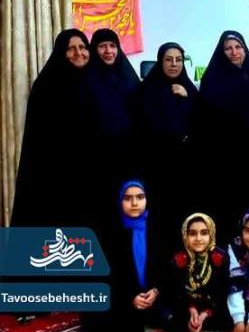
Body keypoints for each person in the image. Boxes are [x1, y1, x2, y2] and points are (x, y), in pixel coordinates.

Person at [12, 29, 95, 227]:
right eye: (71, 49)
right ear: (60, 52)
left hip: (88, 174)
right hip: (55, 176)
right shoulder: (47, 85)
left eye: (82, 47)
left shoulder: (92, 82)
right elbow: (42, 137)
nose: (78, 53)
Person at [194, 31, 249, 240]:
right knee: (227, 208)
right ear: (221, 52)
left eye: (238, 47)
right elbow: (204, 118)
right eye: (228, 48)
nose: (234, 52)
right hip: (224, 157)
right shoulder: (212, 79)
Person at [82, 180, 163, 332]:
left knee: (177, 316)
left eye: (140, 197)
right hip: (122, 297)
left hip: (152, 297)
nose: (134, 203)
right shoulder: (111, 230)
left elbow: (166, 268)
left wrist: (156, 291)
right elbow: (107, 275)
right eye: (128, 198)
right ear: (120, 201)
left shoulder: (157, 228)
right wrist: (130, 298)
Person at [134, 42, 198, 246]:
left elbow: (201, 123)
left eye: (178, 60)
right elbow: (144, 126)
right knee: (160, 218)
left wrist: (187, 98)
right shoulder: (146, 90)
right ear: (160, 62)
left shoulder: (190, 89)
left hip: (185, 166)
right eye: (169, 60)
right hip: (156, 166)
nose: (174, 64)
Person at [85, 28, 141, 222]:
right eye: (102, 46)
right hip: (97, 157)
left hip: (127, 154)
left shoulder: (128, 76)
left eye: (112, 46)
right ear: (94, 49)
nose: (108, 51)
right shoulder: (86, 79)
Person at [167, 213, 232, 332]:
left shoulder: (220, 257)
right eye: (192, 234)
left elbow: (223, 291)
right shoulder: (179, 258)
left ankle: (201, 322)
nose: (198, 238)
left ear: (211, 234)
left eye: (204, 233)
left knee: (229, 320)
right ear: (185, 235)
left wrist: (205, 314)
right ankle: (192, 322)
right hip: (187, 306)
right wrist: (192, 310)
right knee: (170, 318)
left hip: (213, 308)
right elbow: (177, 291)